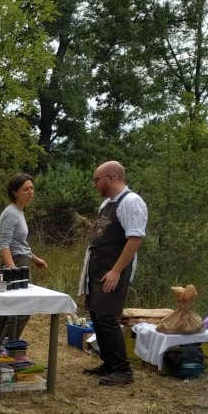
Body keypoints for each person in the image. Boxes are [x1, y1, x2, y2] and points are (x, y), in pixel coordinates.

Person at [80, 160, 148, 386]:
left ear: (111, 177)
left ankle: (122, 370)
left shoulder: (132, 202)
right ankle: (109, 363)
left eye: (96, 180)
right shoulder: (107, 204)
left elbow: (135, 239)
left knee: (108, 317)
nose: (94, 185)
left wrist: (116, 271)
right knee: (98, 316)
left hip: (114, 270)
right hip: (98, 268)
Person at [0, 173, 47, 349]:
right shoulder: (11, 213)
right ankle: (5, 350)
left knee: (11, 310)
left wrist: (34, 259)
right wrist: (13, 269)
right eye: (26, 189)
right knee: (21, 310)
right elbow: (4, 245)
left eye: (32, 188)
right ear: (14, 192)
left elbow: (20, 243)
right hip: (15, 264)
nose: (30, 192)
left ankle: (2, 351)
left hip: (21, 261)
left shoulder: (19, 211)